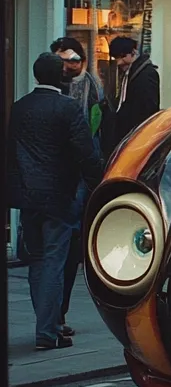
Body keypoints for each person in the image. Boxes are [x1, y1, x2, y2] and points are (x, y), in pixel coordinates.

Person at [7, 53, 104, 349]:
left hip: (27, 196)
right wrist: (96, 183)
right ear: (60, 74)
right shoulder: (68, 107)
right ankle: (47, 332)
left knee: (37, 262)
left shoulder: (19, 108)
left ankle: (47, 325)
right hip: (60, 196)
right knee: (53, 261)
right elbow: (85, 152)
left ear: (36, 76)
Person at [50, 36, 106, 333]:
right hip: (60, 174)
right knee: (54, 250)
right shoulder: (53, 90)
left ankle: (58, 314)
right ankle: (52, 316)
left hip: (80, 173)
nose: (68, 66)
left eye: (72, 60)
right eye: (62, 60)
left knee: (68, 246)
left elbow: (95, 129)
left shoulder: (92, 87)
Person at [107, 35, 160, 151]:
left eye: (122, 56)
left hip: (136, 135)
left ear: (133, 52)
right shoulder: (133, 72)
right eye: (116, 57)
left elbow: (148, 108)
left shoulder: (145, 74)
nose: (119, 62)